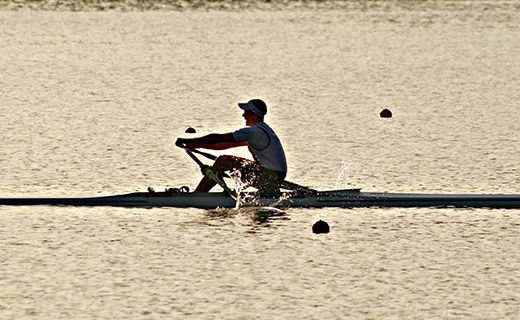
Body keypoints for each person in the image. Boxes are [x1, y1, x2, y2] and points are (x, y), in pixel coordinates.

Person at [175, 99, 287, 195]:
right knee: (224, 161)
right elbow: (224, 145)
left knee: (222, 161)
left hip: (270, 178)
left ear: (254, 114)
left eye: (246, 112)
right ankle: (203, 192)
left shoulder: (254, 132)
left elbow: (217, 138)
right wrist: (196, 146)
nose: (243, 115)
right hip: (273, 177)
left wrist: (186, 140)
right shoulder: (262, 130)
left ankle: (197, 196)